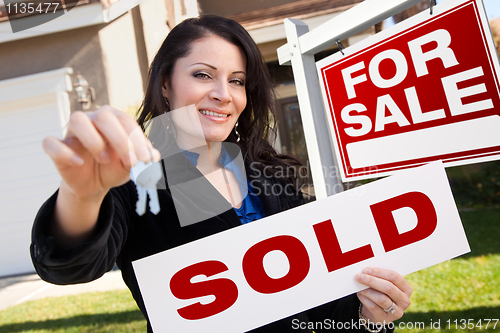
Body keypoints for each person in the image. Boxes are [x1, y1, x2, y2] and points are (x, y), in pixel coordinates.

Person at [31, 15, 412, 332]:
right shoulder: (134, 180)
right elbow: (68, 265)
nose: (223, 93)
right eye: (202, 75)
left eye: (236, 80)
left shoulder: (269, 171)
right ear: (165, 83)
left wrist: (370, 317)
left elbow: (321, 297)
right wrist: (82, 194)